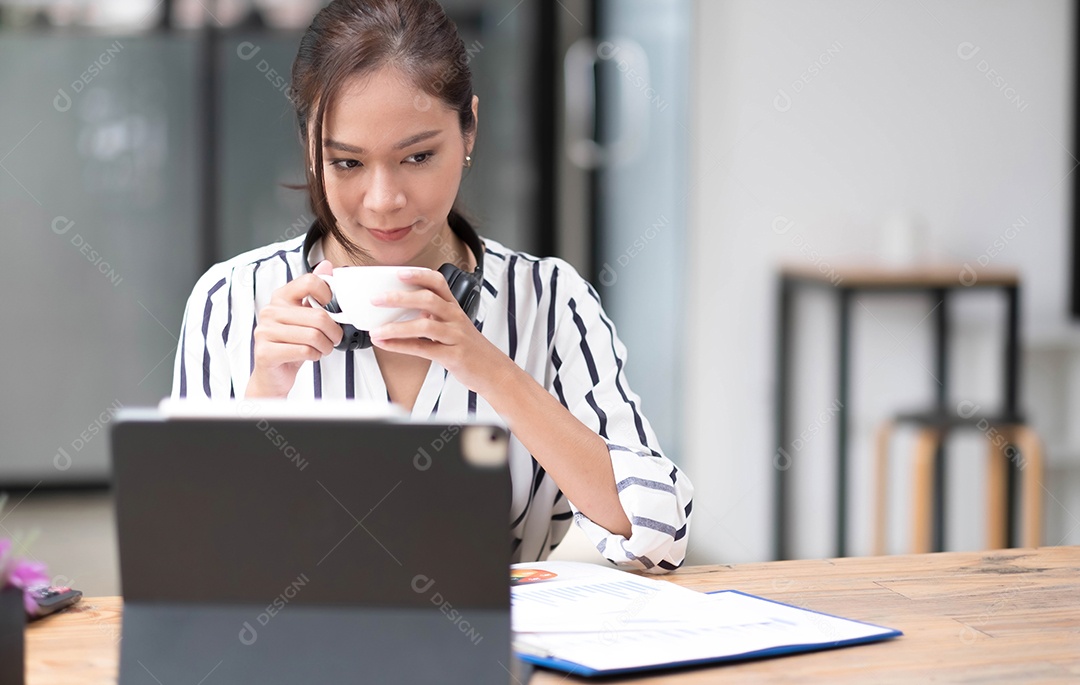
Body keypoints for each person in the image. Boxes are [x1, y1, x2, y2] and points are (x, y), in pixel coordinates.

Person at [172, 0, 692, 572]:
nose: (384, 200)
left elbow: (659, 534)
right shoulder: (230, 299)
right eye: (346, 163)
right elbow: (190, 556)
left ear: (468, 127)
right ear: (310, 149)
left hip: (506, 647)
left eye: (417, 156)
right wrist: (266, 390)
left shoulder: (550, 300)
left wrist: (489, 368)